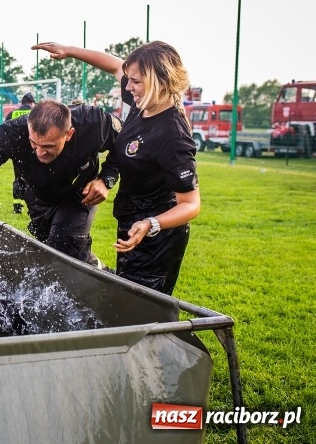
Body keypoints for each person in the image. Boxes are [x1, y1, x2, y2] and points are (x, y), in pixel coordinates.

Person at [32, 41, 200, 294]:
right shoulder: (143, 104)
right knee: (124, 300)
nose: (128, 86)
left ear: (160, 82)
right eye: (129, 79)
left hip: (156, 239)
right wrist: (69, 51)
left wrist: (151, 224)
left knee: (143, 309)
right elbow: (113, 65)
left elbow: (190, 204)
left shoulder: (173, 135)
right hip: (131, 224)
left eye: (135, 81)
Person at [0, 99, 121, 267]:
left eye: (48, 146)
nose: (40, 153)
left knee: (62, 253)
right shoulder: (13, 131)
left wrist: (106, 179)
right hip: (37, 195)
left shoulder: (93, 122)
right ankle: (96, 268)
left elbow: (128, 140)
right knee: (47, 252)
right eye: (34, 144)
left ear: (68, 134)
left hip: (79, 194)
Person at [5, 92, 36, 214]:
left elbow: (5, 129)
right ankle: (32, 207)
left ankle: (17, 207)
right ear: (31, 102)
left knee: (18, 178)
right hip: (32, 149)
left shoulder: (13, 113)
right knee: (32, 178)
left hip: (16, 151)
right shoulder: (34, 113)